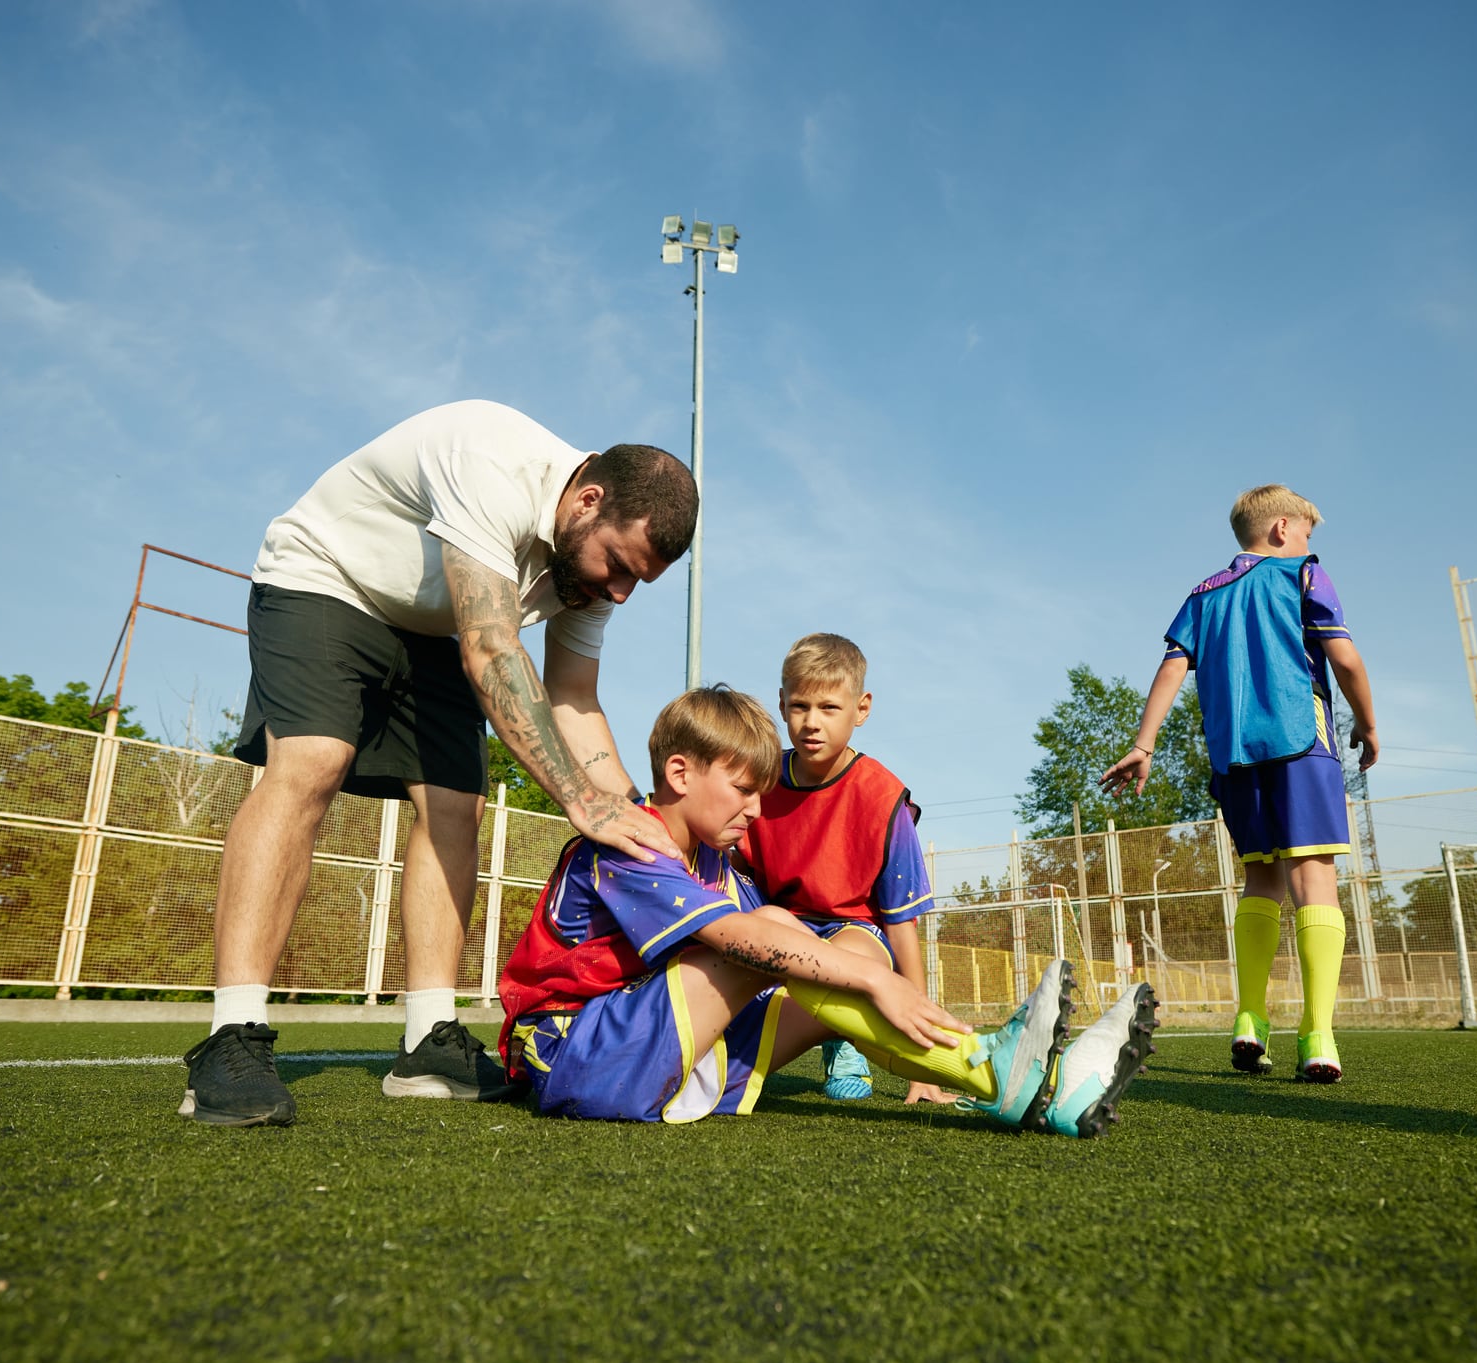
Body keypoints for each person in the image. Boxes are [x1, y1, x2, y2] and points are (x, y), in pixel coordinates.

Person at [182, 400, 693, 1126]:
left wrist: (648, 823)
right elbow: (489, 649)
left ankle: (428, 1041)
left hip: (435, 626)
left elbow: (574, 702)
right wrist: (580, 801)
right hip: (327, 580)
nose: (619, 590)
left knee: (458, 803)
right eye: (618, 566)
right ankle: (229, 1036)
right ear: (588, 500)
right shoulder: (493, 458)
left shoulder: (593, 569)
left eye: (638, 580)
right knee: (313, 762)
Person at [497, 685, 1160, 1138]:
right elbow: (742, 940)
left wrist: (863, 959)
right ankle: (991, 1064)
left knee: (811, 943)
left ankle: (1034, 1092)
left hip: (649, 1051)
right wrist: (876, 980)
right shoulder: (631, 843)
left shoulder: (715, 863)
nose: (755, 811)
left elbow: (784, 934)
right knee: (765, 943)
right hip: (575, 1055)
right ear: (678, 774)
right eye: (741, 790)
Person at [1100, 484, 1377, 1083]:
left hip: (1232, 757)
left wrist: (1143, 744)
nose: (1309, 544)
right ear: (1283, 529)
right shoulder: (1303, 574)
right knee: (1313, 878)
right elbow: (1346, 660)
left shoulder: (1205, 593)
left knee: (1260, 878)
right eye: (1306, 533)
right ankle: (1318, 1036)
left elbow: (1172, 666)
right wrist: (1370, 726)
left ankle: (1249, 1020)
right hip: (1301, 742)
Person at [734, 633, 949, 1104]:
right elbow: (731, 875)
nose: (811, 723)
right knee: (724, 1058)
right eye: (799, 706)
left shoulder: (884, 798)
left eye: (829, 708)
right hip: (783, 926)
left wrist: (922, 1065)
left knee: (847, 964)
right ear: (782, 703)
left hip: (857, 936)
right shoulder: (760, 784)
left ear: (862, 709)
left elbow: (902, 927)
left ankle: (845, 1038)